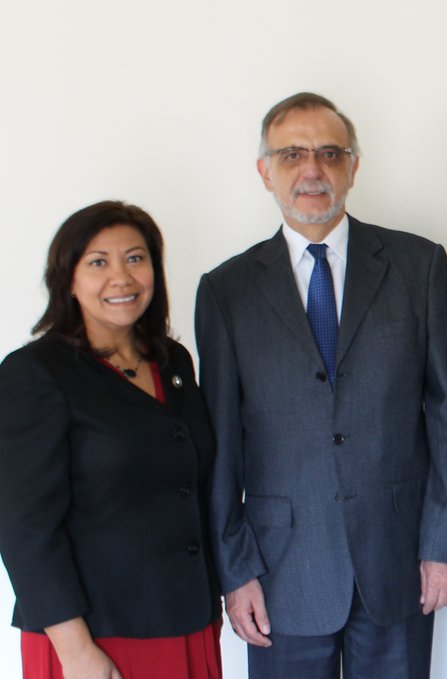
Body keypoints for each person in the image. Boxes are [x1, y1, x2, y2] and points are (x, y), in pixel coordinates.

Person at [195, 92, 447, 679]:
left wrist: (446, 546)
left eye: (329, 152)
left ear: (353, 165)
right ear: (264, 170)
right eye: (292, 154)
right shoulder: (227, 291)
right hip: (279, 574)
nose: (312, 169)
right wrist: (235, 569)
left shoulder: (418, 266)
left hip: (398, 561)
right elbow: (220, 446)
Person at [0, 201, 222, 679]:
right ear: (69, 278)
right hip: (93, 636)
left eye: (135, 258)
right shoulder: (35, 373)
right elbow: (24, 527)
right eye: (98, 262)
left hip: (186, 619)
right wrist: (77, 652)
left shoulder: (174, 362)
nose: (121, 277)